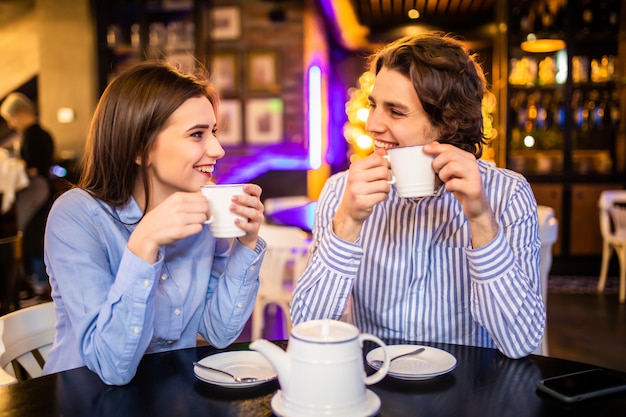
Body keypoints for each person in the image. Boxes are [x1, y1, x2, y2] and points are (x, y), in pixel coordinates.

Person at [290, 32, 545, 358]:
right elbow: (306, 330)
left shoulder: (507, 194)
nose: (373, 125)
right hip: (376, 383)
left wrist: (481, 221)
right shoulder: (343, 191)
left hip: (469, 389)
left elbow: (521, 343)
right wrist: (348, 224)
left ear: (448, 124)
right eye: (373, 105)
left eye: (395, 112)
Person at [42, 61, 266, 385]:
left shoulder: (203, 208)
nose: (217, 149)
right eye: (197, 134)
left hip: (170, 395)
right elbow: (111, 368)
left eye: (214, 132)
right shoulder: (76, 217)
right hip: (83, 400)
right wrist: (144, 245)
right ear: (139, 148)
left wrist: (245, 243)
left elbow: (218, 332)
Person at [0, 92, 55, 298]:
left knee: (34, 238)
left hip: (36, 193)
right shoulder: (41, 133)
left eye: (11, 118)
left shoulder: (34, 135)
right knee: (35, 237)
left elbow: (33, 168)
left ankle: (40, 284)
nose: (12, 123)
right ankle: (38, 283)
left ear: (21, 113)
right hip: (41, 192)